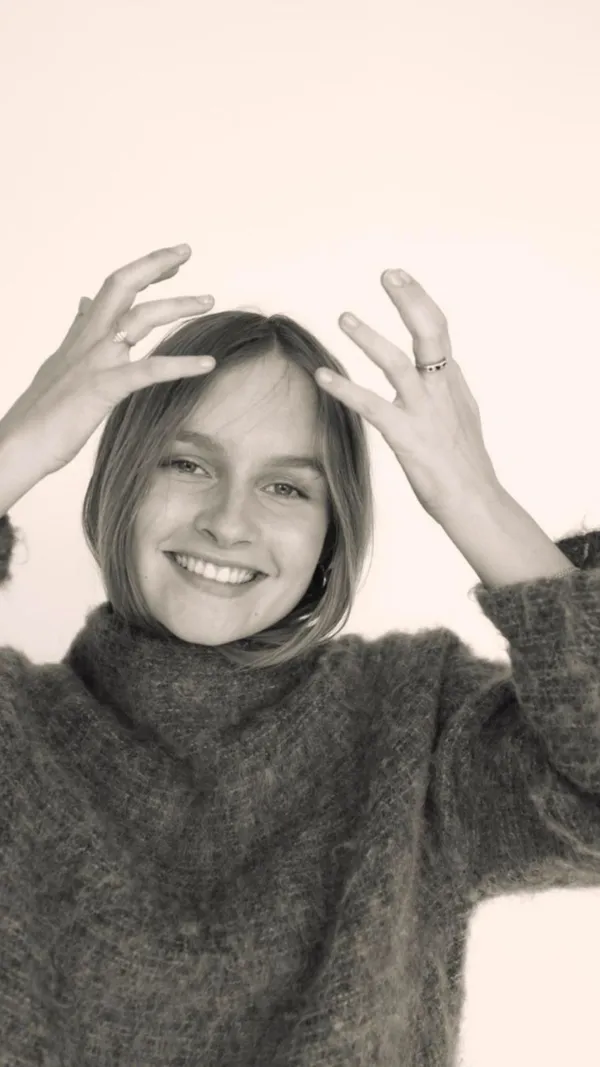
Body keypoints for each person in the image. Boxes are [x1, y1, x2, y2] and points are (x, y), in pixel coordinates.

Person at [0, 242, 598, 1067]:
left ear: (330, 534)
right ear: (120, 481)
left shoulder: (410, 730)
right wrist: (17, 446)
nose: (228, 521)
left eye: (285, 486)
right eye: (187, 462)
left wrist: (475, 497)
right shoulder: (17, 735)